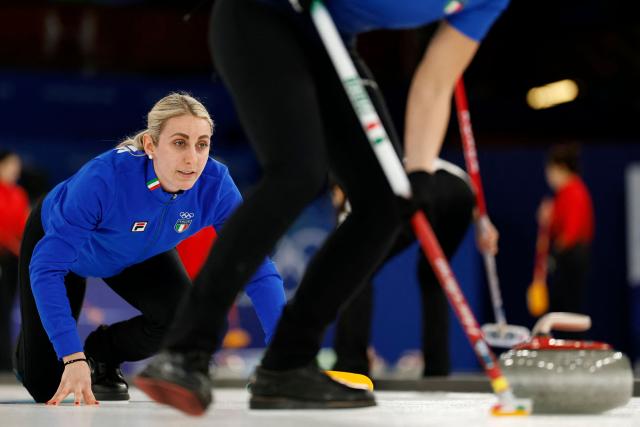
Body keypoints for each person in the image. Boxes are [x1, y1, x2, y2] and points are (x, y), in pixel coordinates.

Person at [136, 0, 507, 414]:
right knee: (297, 172)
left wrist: (419, 174)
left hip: (328, 42)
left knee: (386, 201)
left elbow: (436, 81)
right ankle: (185, 352)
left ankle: (288, 364)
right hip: (264, 14)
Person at [14, 93, 286, 405]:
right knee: (47, 385)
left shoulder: (216, 185)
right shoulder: (104, 179)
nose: (193, 158)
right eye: (180, 142)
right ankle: (38, 357)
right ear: (151, 145)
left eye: (202, 144)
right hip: (66, 250)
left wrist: (282, 350)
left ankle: (103, 354)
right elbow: (47, 268)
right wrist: (72, 357)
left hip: (140, 252)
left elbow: (255, 265)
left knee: (187, 320)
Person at [332, 159, 479, 377]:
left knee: (358, 270)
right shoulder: (379, 167)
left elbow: (347, 252)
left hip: (418, 189)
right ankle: (437, 368)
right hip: (463, 192)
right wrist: (483, 224)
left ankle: (351, 365)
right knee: (432, 276)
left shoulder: (357, 192)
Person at [537, 143, 594, 320]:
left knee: (569, 308)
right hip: (566, 256)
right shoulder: (563, 194)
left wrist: (554, 256)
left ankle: (571, 343)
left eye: (550, 170)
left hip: (571, 258)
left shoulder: (574, 191)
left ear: (561, 168)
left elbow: (571, 232)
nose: (548, 175)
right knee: (560, 307)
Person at [0, 150, 30, 372]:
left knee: (6, 307)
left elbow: (23, 226)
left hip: (12, 260)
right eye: (11, 164)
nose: (15, 169)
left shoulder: (18, 193)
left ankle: (4, 359)